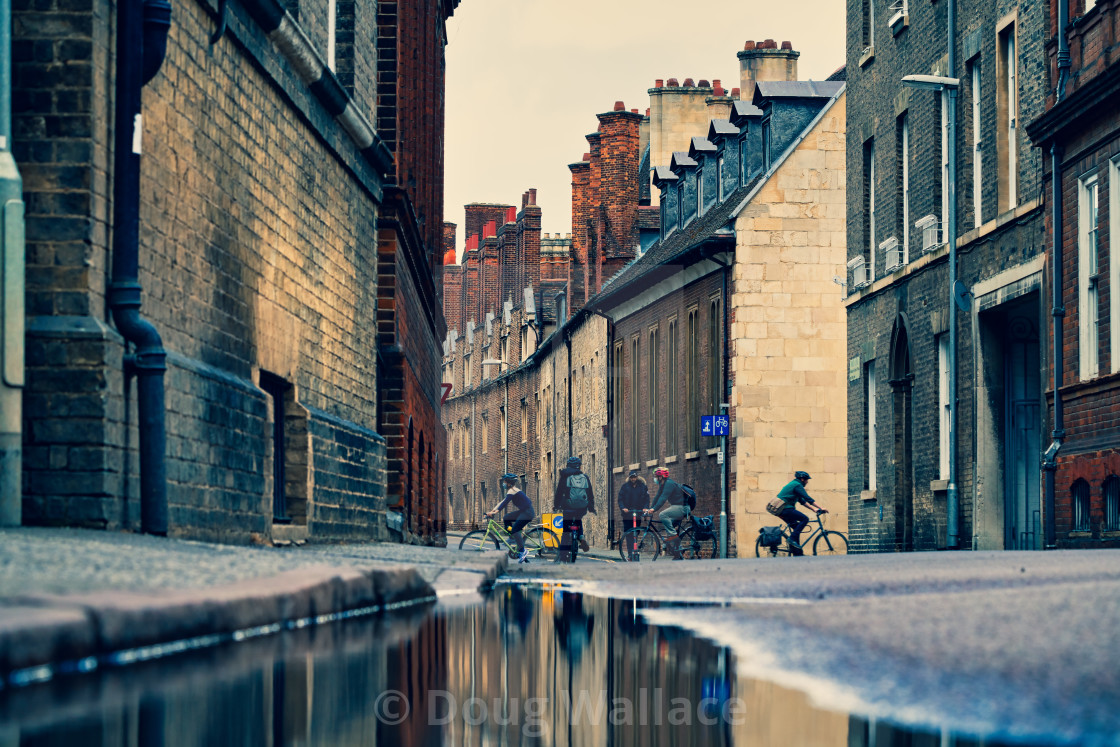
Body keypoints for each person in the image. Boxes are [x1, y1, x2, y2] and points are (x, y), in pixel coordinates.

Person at [774, 470, 827, 556]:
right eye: (807, 480)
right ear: (802, 479)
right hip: (785, 509)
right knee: (805, 519)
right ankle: (791, 539)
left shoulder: (793, 485)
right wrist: (820, 508)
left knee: (796, 528)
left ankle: (797, 553)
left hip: (782, 510)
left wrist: (814, 509)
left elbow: (802, 501)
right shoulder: (797, 485)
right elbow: (807, 498)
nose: (807, 482)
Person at [554, 456, 596, 562]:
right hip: (582, 507)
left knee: (566, 531)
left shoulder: (565, 476)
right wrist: (591, 506)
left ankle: (563, 556)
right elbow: (590, 493)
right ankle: (581, 537)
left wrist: (556, 505)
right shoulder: (585, 477)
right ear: (579, 466)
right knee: (578, 520)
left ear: (568, 466)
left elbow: (559, 492)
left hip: (568, 507)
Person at [487, 473, 535, 563]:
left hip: (528, 513)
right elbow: (502, 501)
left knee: (516, 529)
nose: (503, 483)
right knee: (506, 518)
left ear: (509, 483)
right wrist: (492, 510)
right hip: (523, 511)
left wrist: (496, 512)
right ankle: (512, 537)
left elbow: (505, 503)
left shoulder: (513, 490)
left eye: (505, 481)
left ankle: (522, 551)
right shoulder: (511, 491)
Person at [644, 467, 689, 560]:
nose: (655, 478)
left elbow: (663, 498)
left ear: (661, 477)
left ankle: (675, 538)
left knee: (663, 515)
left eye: (656, 476)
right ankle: (678, 554)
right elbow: (657, 497)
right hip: (677, 507)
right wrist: (650, 508)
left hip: (683, 507)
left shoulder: (669, 484)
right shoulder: (663, 484)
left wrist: (654, 509)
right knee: (670, 528)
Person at [617, 469, 649, 560]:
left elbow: (647, 499)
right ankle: (630, 554)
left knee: (636, 532)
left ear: (637, 477)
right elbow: (620, 499)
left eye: (634, 477)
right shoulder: (625, 487)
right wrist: (623, 508)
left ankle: (635, 551)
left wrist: (645, 507)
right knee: (629, 534)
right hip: (627, 514)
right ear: (629, 478)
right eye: (631, 477)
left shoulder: (642, 486)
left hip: (638, 513)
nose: (633, 479)